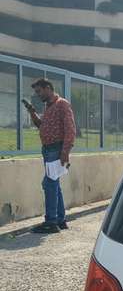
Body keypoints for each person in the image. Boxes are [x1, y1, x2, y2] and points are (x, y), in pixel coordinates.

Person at [22, 78, 76, 234]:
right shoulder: (48, 107)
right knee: (53, 184)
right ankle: (60, 220)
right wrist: (32, 112)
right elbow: (42, 126)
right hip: (48, 150)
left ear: (48, 88)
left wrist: (65, 152)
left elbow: (70, 129)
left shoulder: (62, 104)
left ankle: (51, 222)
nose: (38, 95)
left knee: (49, 184)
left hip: (56, 150)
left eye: (39, 91)